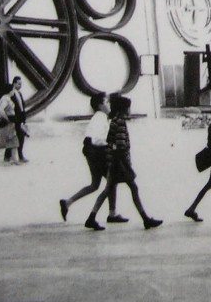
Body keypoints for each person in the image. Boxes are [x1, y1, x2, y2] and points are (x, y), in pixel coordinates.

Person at [85, 95, 161, 231]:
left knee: (108, 190)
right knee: (132, 188)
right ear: (124, 110)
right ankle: (145, 219)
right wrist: (125, 163)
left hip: (115, 162)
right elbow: (119, 145)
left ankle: (92, 217)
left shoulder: (113, 121)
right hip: (119, 163)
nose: (130, 110)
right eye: (128, 108)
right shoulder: (119, 123)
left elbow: (111, 143)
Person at [59, 93, 125, 224]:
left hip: (90, 151)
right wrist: (112, 145)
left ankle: (67, 202)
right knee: (112, 182)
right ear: (101, 105)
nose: (108, 105)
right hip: (97, 152)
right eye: (106, 103)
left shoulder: (98, 117)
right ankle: (111, 213)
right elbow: (98, 139)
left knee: (95, 184)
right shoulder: (101, 118)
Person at [10, 75, 29, 163]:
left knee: (18, 137)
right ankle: (20, 156)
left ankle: (9, 156)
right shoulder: (11, 94)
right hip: (16, 119)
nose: (20, 85)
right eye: (19, 84)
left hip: (20, 118)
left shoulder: (19, 93)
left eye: (21, 84)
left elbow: (22, 106)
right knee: (19, 137)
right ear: (14, 84)